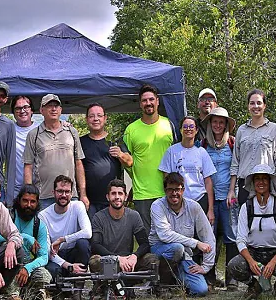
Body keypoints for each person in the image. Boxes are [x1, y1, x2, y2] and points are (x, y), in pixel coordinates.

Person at [227, 164, 276, 300]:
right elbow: (240, 239)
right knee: (233, 265)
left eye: (264, 179)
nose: (261, 182)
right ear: (252, 183)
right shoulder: (247, 207)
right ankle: (253, 285)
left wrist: (273, 262)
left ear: (270, 182)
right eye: (257, 179)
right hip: (254, 252)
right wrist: (251, 262)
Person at [149, 172, 215, 297]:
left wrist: (206, 266)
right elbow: (165, 235)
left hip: (184, 255)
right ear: (165, 190)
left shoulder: (194, 207)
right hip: (160, 250)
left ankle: (177, 279)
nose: (174, 193)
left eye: (177, 189)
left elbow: (208, 237)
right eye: (170, 190)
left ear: (183, 190)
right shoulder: (157, 206)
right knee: (176, 248)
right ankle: (162, 284)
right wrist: (196, 243)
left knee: (201, 290)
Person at [123, 84, 175, 231]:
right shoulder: (131, 130)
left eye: (151, 99)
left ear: (157, 101)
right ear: (140, 104)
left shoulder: (169, 125)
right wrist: (136, 178)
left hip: (167, 191)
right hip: (142, 194)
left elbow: (178, 155)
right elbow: (127, 161)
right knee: (146, 239)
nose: (148, 103)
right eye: (144, 100)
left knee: (168, 234)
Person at [24, 94, 86, 210]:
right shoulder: (33, 135)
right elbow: (28, 166)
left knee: (72, 228)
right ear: (42, 110)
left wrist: (83, 194)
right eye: (49, 106)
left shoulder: (72, 132)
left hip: (69, 195)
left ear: (61, 110)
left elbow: (79, 163)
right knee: (43, 228)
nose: (53, 109)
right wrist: (29, 195)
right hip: (43, 197)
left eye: (56, 106)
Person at [228, 89, 276, 207]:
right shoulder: (241, 130)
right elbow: (235, 162)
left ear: (264, 105)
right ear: (248, 106)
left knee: (269, 223)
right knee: (246, 222)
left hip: (267, 184)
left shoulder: (273, 129)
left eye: (259, 103)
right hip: (245, 185)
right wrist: (231, 191)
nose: (256, 106)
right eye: (252, 103)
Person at [202, 107, 239, 291]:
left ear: (226, 125)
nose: (217, 125)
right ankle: (210, 277)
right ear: (210, 124)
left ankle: (231, 278)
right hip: (209, 198)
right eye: (214, 121)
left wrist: (232, 191)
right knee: (209, 237)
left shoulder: (231, 143)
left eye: (221, 122)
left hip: (228, 197)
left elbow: (235, 168)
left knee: (231, 236)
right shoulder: (203, 145)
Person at [89, 179, 158, 276]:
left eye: (120, 193)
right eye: (113, 193)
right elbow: (95, 245)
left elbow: (145, 244)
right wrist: (116, 258)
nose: (117, 197)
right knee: (95, 262)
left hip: (128, 261)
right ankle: (109, 286)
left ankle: (130, 283)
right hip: (109, 260)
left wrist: (135, 256)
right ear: (108, 197)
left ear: (125, 196)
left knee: (152, 260)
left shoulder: (134, 215)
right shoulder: (98, 217)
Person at [39, 175, 91, 296]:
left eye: (67, 191)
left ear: (72, 193)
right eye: (60, 191)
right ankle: (60, 291)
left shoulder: (78, 206)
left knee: (83, 243)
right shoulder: (43, 216)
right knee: (53, 270)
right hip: (57, 258)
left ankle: (78, 286)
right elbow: (47, 251)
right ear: (53, 192)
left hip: (73, 253)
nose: (63, 195)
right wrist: (69, 266)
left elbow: (88, 232)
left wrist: (63, 239)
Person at [159, 116, 216, 223]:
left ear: (196, 130)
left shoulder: (202, 152)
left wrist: (211, 209)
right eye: (185, 126)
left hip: (200, 199)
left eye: (191, 126)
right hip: (179, 201)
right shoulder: (171, 151)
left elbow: (208, 181)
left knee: (201, 236)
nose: (188, 129)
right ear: (180, 130)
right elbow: (166, 179)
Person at [80, 103, 131, 219]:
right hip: (90, 201)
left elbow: (130, 162)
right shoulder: (80, 142)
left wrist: (120, 154)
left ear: (105, 118)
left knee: (113, 234)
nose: (96, 119)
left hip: (113, 200)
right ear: (87, 119)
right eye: (92, 116)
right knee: (93, 234)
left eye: (99, 115)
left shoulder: (115, 140)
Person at [10, 184, 52, 300]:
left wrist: (28, 268)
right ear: (19, 200)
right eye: (25, 201)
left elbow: (44, 256)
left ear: (37, 203)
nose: (28, 205)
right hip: (9, 264)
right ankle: (12, 295)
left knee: (44, 276)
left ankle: (32, 293)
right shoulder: (9, 217)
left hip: (28, 265)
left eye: (32, 202)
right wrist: (26, 237)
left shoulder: (40, 226)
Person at [11, 95, 41, 200]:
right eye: (18, 108)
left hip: (39, 186)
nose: (22, 111)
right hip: (15, 187)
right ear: (13, 113)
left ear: (32, 110)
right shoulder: (9, 130)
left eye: (26, 107)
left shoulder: (41, 129)